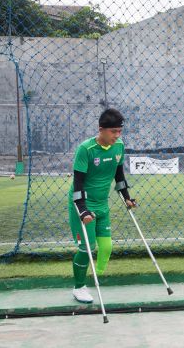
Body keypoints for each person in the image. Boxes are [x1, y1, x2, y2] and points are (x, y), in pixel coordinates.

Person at [69, 108, 137, 303]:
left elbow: (119, 175)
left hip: (101, 203)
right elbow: (78, 182)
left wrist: (127, 197)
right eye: (113, 132)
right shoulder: (86, 149)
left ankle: (95, 278)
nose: (117, 136)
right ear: (101, 130)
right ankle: (79, 287)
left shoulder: (119, 146)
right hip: (83, 204)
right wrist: (81, 209)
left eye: (119, 131)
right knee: (87, 249)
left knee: (106, 247)